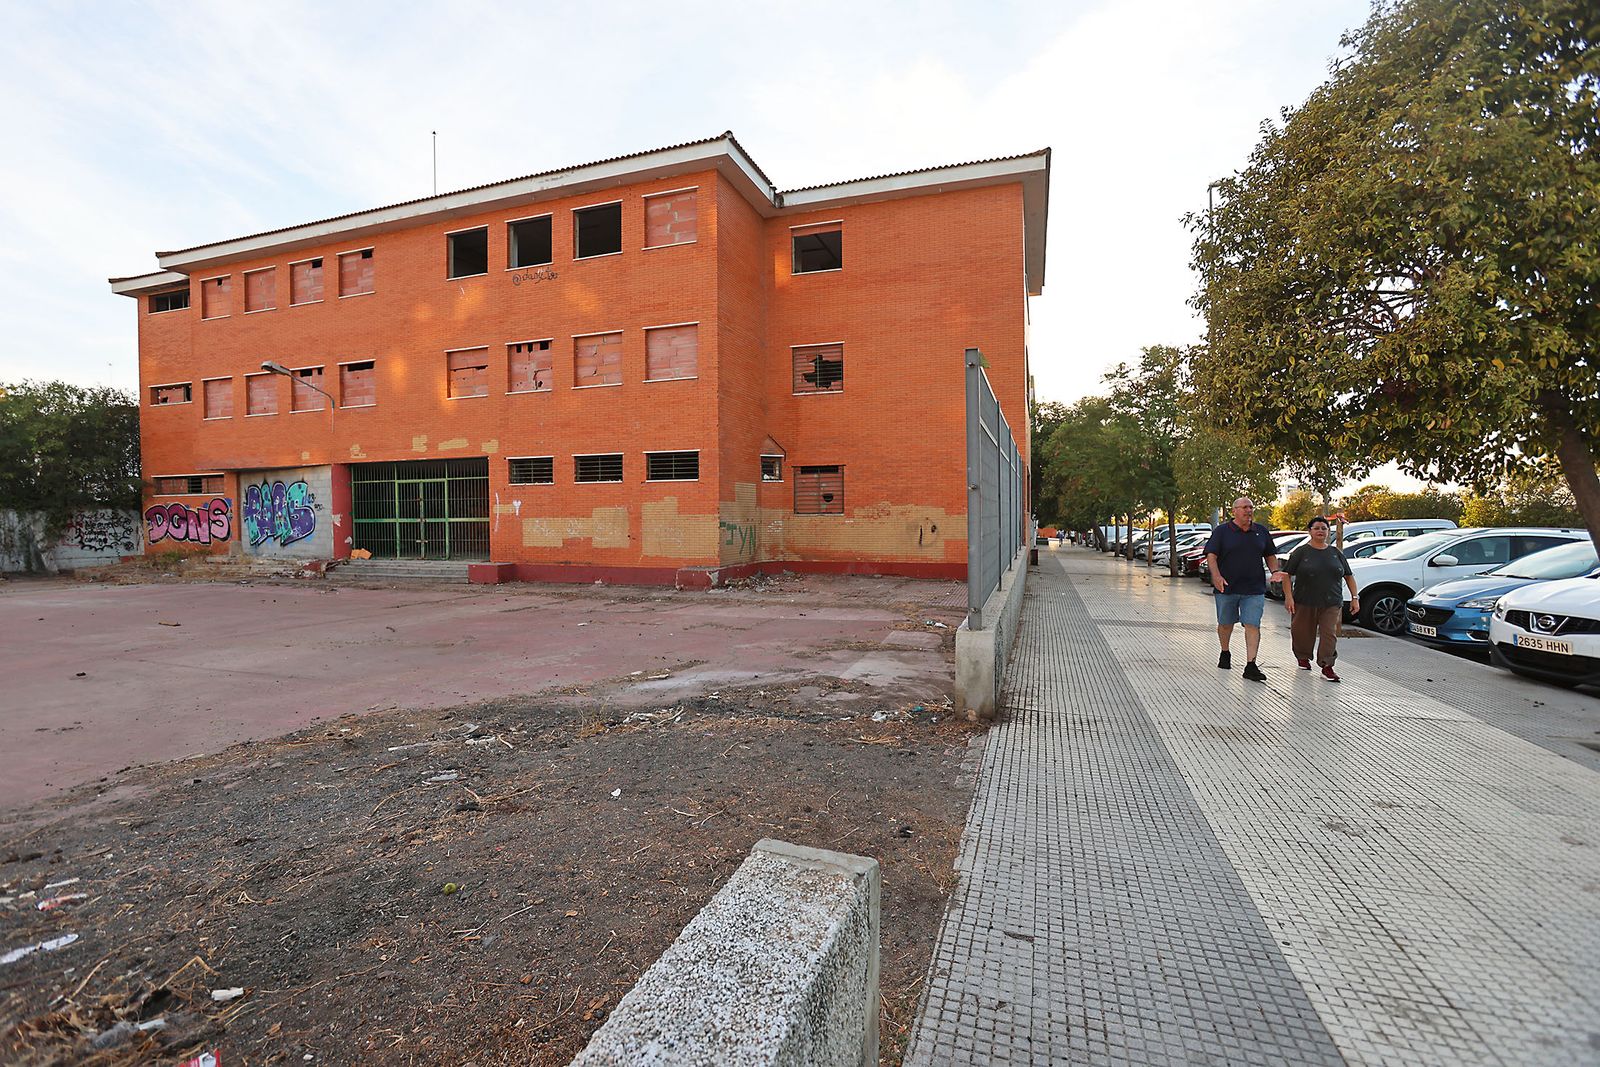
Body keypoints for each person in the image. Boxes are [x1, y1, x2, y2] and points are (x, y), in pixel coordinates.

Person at [1204, 497, 1280, 682]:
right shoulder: (1222, 531)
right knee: (1225, 624)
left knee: (1253, 624)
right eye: (1244, 507)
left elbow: (1270, 554)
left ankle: (1251, 665)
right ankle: (1225, 651)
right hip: (1227, 587)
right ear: (1234, 511)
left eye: (1251, 507)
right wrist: (1216, 576)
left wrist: (1275, 571)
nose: (1248, 511)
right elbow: (1211, 555)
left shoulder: (1261, 531)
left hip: (1254, 588)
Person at [1281, 515, 1360, 682]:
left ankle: (1327, 666)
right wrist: (1288, 597)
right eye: (1316, 528)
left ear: (1328, 532)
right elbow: (1287, 575)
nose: (1320, 531)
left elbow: (1348, 576)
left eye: (1324, 528)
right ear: (1310, 531)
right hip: (1304, 601)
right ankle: (1303, 657)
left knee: (1329, 634)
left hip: (1331, 602)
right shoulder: (1301, 552)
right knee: (1302, 632)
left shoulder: (1335, 553)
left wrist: (1355, 597)